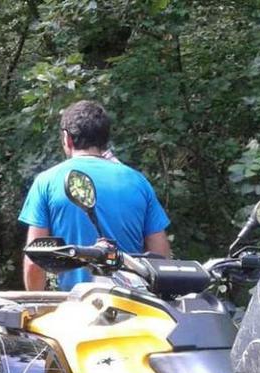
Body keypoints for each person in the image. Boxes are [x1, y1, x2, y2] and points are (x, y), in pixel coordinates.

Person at [19, 100, 171, 291]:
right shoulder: (138, 182)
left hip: (78, 308)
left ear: (67, 138)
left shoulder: (46, 181)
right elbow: (160, 258)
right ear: (105, 140)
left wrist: (38, 305)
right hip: (135, 308)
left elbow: (35, 261)